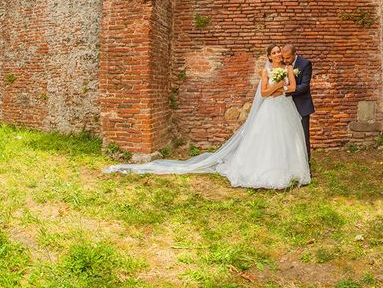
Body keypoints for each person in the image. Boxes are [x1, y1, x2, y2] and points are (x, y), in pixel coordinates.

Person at [102, 44, 311, 190]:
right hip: (270, 108)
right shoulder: (265, 71)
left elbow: (292, 87)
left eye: (278, 52)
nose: (277, 55)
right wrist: (276, 86)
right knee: (265, 139)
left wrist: (280, 88)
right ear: (269, 56)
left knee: (285, 139)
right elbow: (264, 93)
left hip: (283, 107)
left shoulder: (287, 69)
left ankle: (289, 172)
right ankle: (263, 171)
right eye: (274, 52)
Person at [281, 44, 314, 164]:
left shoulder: (305, 64)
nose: (285, 61)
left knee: (303, 137)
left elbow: (304, 86)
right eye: (283, 58)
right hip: (285, 106)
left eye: (288, 58)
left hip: (301, 106)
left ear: (295, 54)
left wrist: (286, 90)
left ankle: (306, 165)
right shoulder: (282, 65)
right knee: (287, 136)